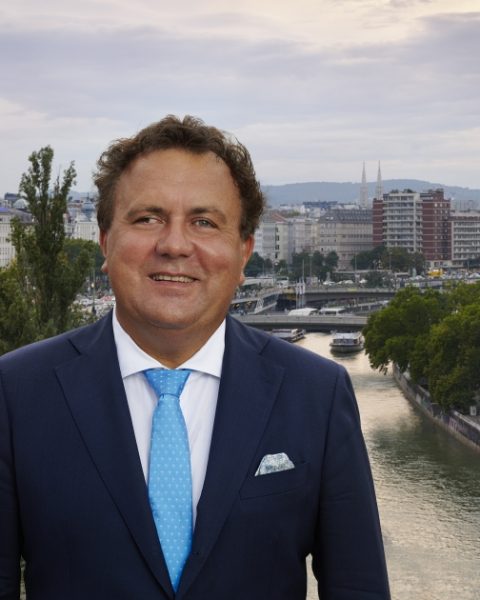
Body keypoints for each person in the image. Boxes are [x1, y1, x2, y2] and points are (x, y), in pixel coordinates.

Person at [0, 115, 390, 599]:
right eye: (148, 218)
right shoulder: (16, 394)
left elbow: (358, 587)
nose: (175, 245)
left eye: (204, 222)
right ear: (105, 241)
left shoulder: (318, 394)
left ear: (244, 252)